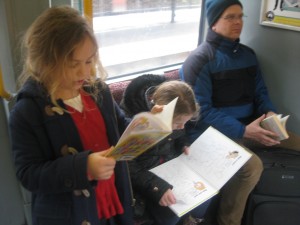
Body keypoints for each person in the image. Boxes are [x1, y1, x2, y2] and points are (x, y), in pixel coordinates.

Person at [8, 6, 134, 225]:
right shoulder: (27, 111)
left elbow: (121, 126)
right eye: (72, 64)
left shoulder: (98, 92)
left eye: (89, 61)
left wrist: (147, 124)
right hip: (69, 215)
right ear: (46, 62)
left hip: (111, 200)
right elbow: (29, 174)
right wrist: (83, 168)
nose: (84, 72)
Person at [179, 1, 269, 225]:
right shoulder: (199, 60)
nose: (238, 22)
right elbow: (201, 112)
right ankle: (228, 221)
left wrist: (270, 115)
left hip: (248, 126)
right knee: (252, 166)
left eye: (240, 16)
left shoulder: (248, 55)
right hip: (209, 134)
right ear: (214, 22)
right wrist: (243, 130)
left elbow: (261, 92)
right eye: (230, 17)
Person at [120, 75, 211, 225]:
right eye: (177, 123)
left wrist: (184, 143)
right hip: (146, 179)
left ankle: (192, 221)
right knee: (171, 214)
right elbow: (128, 166)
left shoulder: (176, 114)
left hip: (171, 169)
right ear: (162, 113)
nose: (182, 127)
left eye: (185, 122)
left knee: (205, 195)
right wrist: (158, 188)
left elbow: (181, 133)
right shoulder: (137, 124)